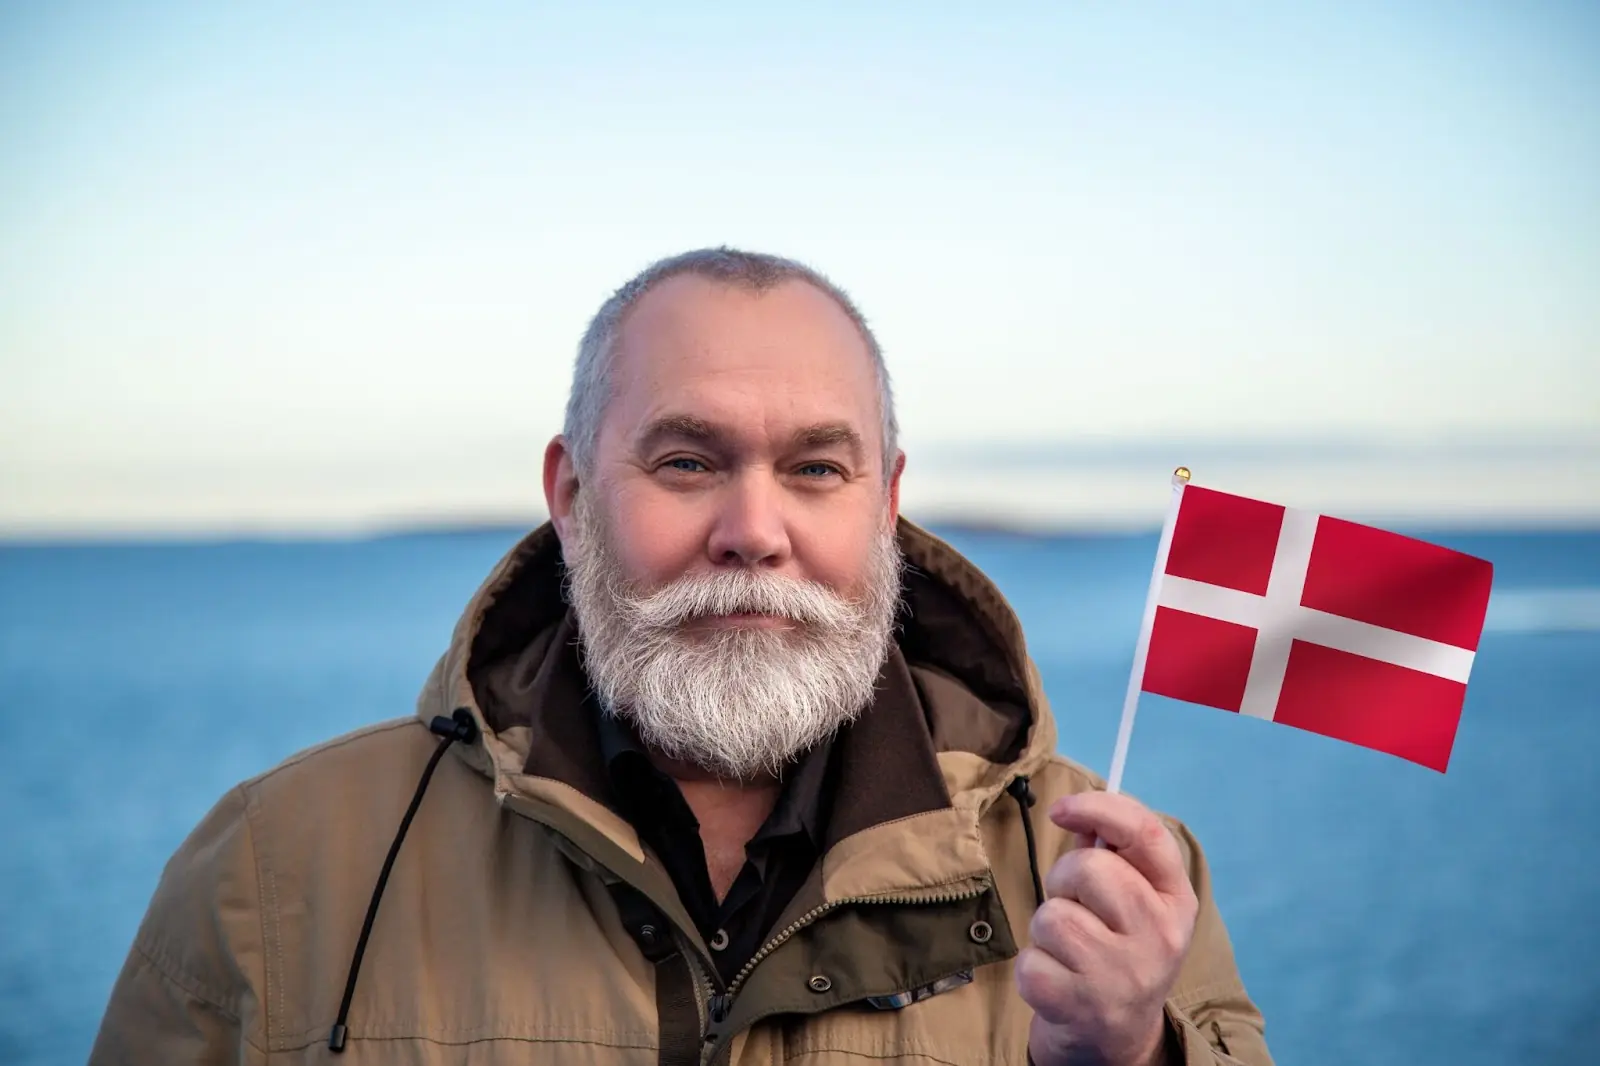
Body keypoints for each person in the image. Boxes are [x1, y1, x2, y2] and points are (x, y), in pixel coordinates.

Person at [91, 248, 1272, 1065]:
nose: (753, 530)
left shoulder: (1112, 885)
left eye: (816, 468)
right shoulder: (282, 864)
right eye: (687, 463)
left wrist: (1131, 1054)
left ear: (886, 500)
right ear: (570, 495)